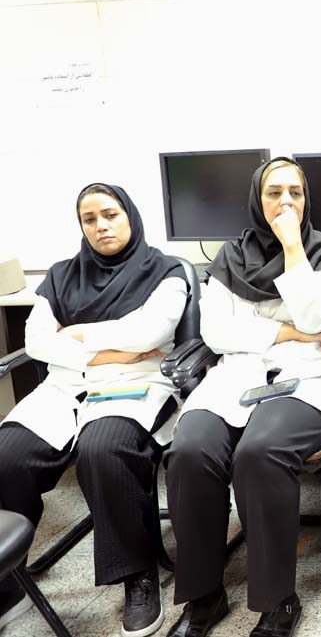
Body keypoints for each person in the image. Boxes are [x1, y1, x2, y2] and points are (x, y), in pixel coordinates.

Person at [164, 157, 321, 637]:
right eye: (274, 192)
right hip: (237, 377)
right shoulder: (230, 257)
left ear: (307, 199)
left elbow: (317, 318)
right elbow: (216, 332)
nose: (286, 202)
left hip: (311, 378)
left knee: (260, 451)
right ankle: (204, 596)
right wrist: (288, 331)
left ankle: (277, 600)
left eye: (295, 192)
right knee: (189, 450)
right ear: (257, 199)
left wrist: (293, 248)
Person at [0, 183, 186, 637]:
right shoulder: (61, 275)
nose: (101, 225)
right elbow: (37, 341)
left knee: (103, 449)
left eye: (110, 215)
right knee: (7, 454)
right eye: (90, 219)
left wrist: (76, 334)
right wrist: (112, 349)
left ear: (130, 216)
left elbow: (148, 334)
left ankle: (137, 574)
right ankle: (9, 579)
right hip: (65, 388)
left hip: (134, 384)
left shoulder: (166, 271)